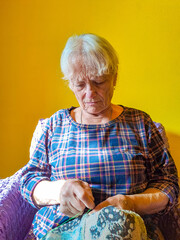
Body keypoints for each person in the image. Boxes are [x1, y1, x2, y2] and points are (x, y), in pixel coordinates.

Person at [20, 33, 179, 240]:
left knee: (120, 226)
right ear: (69, 83)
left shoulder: (141, 124)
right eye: (79, 85)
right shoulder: (54, 125)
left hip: (128, 228)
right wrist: (60, 190)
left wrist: (130, 203)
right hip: (64, 229)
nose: (90, 93)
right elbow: (29, 181)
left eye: (99, 82)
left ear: (114, 78)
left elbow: (168, 184)